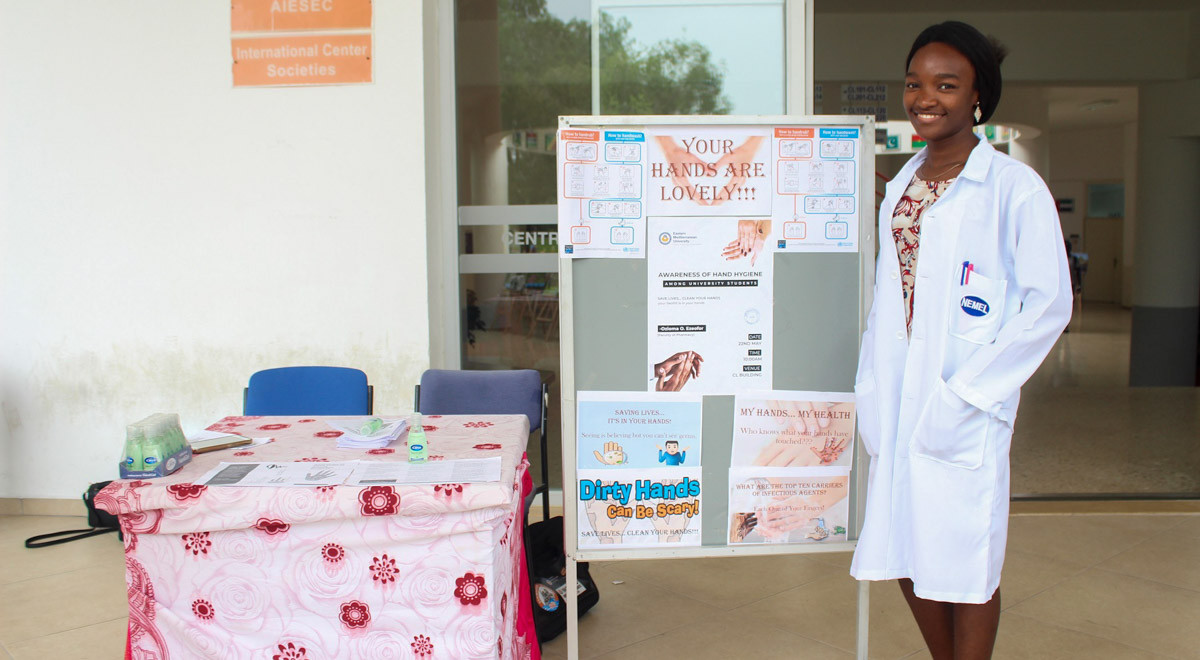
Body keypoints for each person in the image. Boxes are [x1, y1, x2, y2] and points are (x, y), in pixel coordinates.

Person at [849, 21, 1072, 660]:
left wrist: (971, 390)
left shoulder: (1012, 187)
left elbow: (1048, 304)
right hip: (897, 391)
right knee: (903, 543)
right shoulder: (903, 186)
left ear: (977, 96)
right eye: (915, 84)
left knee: (966, 556)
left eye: (946, 85)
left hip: (962, 397)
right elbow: (890, 297)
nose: (926, 98)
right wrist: (872, 381)